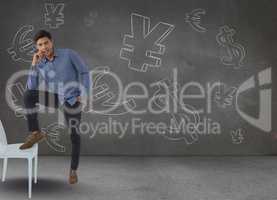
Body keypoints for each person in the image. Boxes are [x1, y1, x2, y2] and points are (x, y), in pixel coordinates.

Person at [20, 30, 91, 184]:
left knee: (75, 134)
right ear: (37, 47)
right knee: (28, 95)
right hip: (56, 97)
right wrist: (33, 65)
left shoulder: (68, 54)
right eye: (40, 45)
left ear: (51, 42)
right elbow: (31, 87)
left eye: (46, 43)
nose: (44, 46)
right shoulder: (40, 63)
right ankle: (36, 132)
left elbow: (84, 72)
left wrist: (84, 94)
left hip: (72, 99)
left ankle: (73, 170)